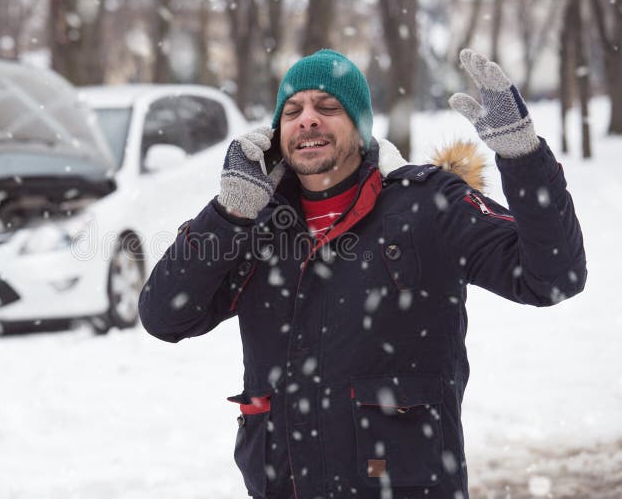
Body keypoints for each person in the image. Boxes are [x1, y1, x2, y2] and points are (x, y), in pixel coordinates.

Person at [138, 49, 587, 499]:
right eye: (292, 111)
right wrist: (229, 212)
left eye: (328, 107)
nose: (307, 119)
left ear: (360, 124)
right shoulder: (255, 222)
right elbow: (165, 316)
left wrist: (522, 154)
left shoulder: (428, 204)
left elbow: (554, 276)